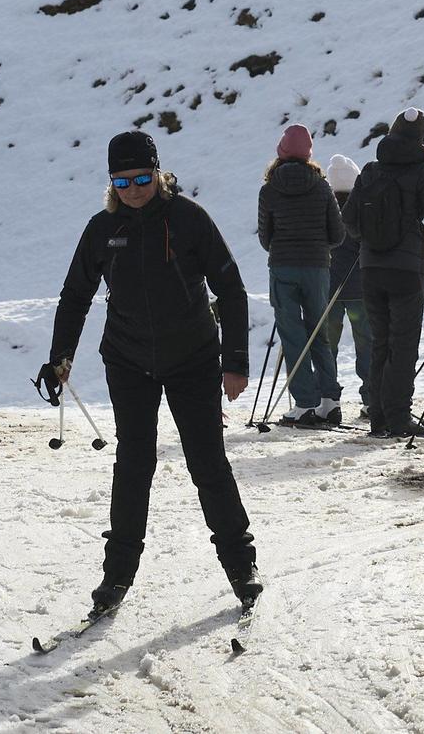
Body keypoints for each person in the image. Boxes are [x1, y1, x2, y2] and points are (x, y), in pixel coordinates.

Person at [41, 130, 260, 616]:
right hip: (127, 360)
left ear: (158, 174)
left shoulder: (188, 219)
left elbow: (231, 288)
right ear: (111, 182)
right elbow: (75, 296)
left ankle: (241, 565)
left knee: (207, 462)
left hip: (194, 358)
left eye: (142, 178)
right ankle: (116, 576)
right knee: (134, 464)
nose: (134, 189)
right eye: (123, 181)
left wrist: (235, 362)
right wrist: (60, 357)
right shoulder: (101, 229)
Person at [343, 109, 424, 437]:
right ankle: (399, 418)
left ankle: (379, 417)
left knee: (380, 342)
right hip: (407, 271)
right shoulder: (422, 174)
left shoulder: (369, 171)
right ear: (421, 140)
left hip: (370, 269)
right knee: (403, 344)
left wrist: (372, 240)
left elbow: (349, 220)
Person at [257, 125, 345, 426]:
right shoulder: (322, 187)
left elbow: (265, 238)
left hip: (282, 266)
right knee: (319, 331)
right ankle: (329, 401)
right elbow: (338, 234)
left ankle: (304, 403)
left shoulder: (269, 189)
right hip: (317, 267)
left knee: (293, 335)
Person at [321, 154, 372, 418]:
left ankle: (328, 398)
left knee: (328, 344)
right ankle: (371, 397)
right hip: (360, 289)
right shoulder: (363, 208)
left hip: (328, 289)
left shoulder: (324, 207)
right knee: (367, 343)